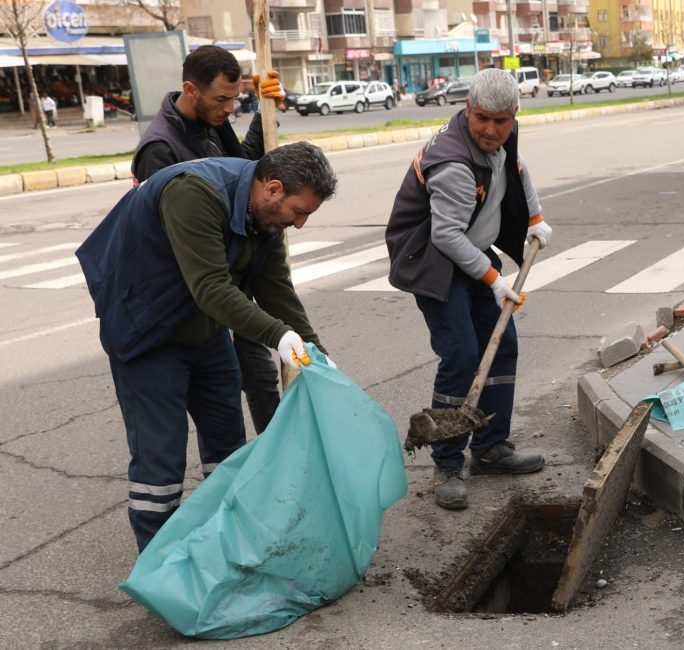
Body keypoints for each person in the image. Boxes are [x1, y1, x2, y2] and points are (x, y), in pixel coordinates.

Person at [76, 142, 337, 552]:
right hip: (147, 333)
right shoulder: (194, 193)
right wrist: (278, 336)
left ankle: (220, 550)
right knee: (160, 466)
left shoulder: (264, 216)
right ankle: (159, 569)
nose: (300, 223)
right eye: (299, 211)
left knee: (227, 449)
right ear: (272, 188)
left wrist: (313, 350)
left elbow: (275, 288)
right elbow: (211, 287)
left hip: (205, 332)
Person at [385, 68, 552, 511]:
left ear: (514, 116)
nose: (491, 130)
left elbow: (516, 166)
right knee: (460, 354)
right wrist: (495, 280)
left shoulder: (501, 137)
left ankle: (491, 447)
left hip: (471, 255)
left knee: (501, 347)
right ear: (467, 110)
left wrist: (534, 217)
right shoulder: (454, 163)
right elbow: (447, 237)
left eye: (501, 121)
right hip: (434, 261)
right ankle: (447, 460)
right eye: (482, 119)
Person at [132, 44, 288, 435]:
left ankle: (276, 453)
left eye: (236, 99)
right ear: (191, 89)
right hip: (196, 294)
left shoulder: (211, 122)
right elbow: (181, 241)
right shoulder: (161, 149)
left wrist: (265, 114)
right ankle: (273, 452)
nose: (229, 108)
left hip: (231, 272)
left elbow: (245, 169)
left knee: (258, 375)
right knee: (244, 378)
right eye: (223, 99)